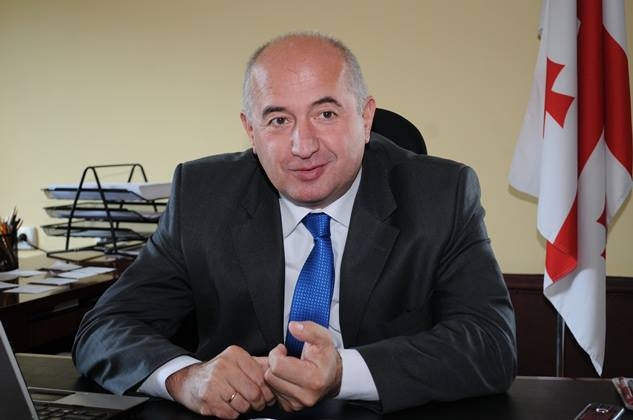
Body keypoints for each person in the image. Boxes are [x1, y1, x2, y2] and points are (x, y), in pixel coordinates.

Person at [73, 32, 517, 419]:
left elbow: (491, 344)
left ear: (365, 118)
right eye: (279, 120)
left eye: (325, 114)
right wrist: (185, 378)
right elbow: (106, 326)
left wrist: (342, 373)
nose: (302, 146)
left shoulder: (441, 194)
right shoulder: (202, 196)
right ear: (251, 130)